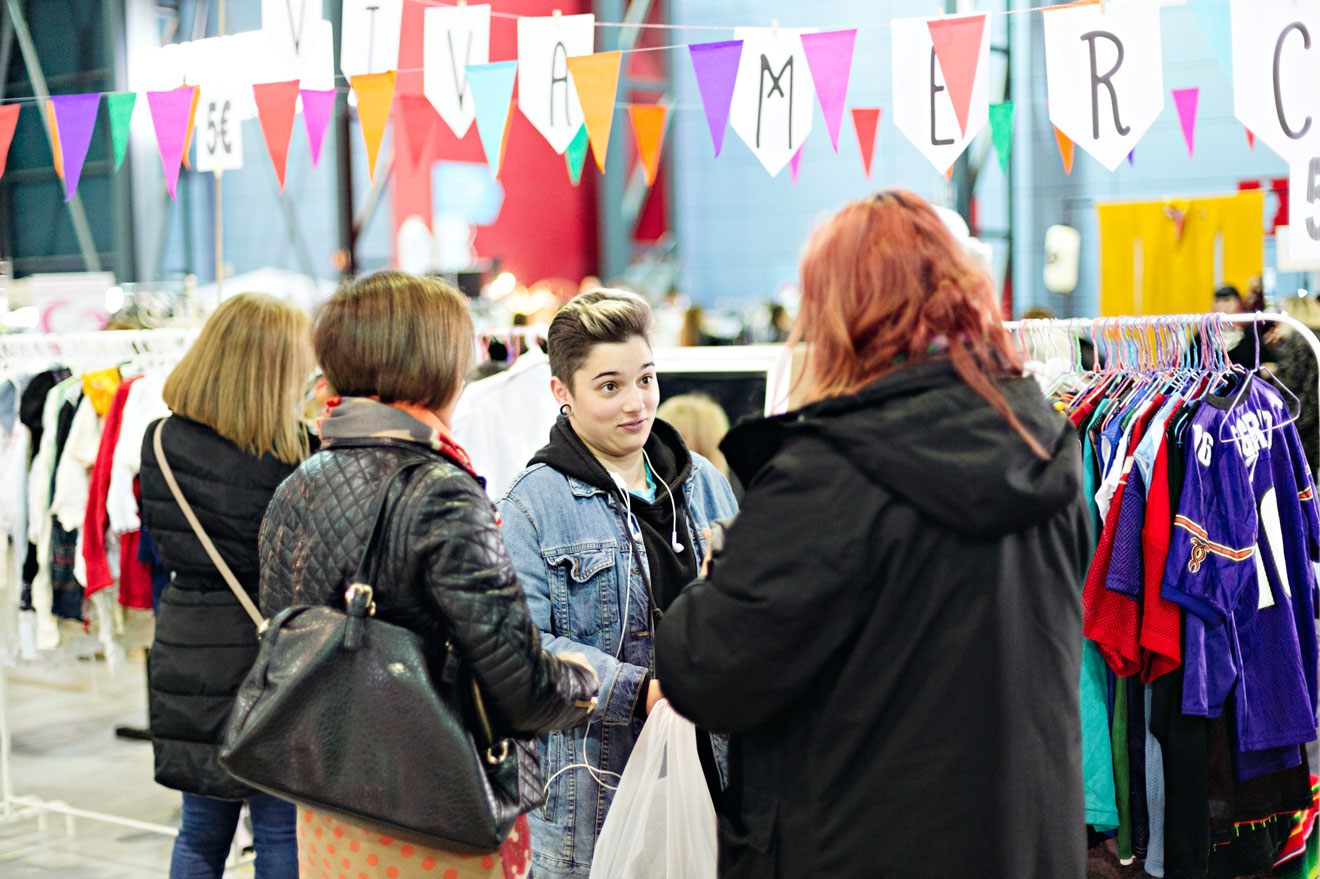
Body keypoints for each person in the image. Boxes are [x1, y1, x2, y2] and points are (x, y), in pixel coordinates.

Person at [655, 190, 1090, 879]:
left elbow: (703, 667)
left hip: (861, 843)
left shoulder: (829, 473)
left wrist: (722, 567)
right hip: (1025, 844)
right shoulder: (1043, 441)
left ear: (842, 312)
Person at [258, 272, 598, 879]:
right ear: (436, 363)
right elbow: (515, 683)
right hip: (430, 810)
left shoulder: (297, 483)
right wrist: (580, 684)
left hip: (330, 804)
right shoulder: (441, 490)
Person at [497, 289, 739, 879]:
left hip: (717, 785)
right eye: (609, 386)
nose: (636, 403)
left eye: (647, 379)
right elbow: (526, 652)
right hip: (593, 801)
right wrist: (640, 691)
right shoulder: (534, 506)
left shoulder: (701, 483)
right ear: (563, 393)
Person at [139, 293, 315, 879]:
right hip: (275, 649)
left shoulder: (160, 440)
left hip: (189, 642)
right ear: (273, 368)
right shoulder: (297, 451)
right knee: (279, 831)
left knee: (200, 832)